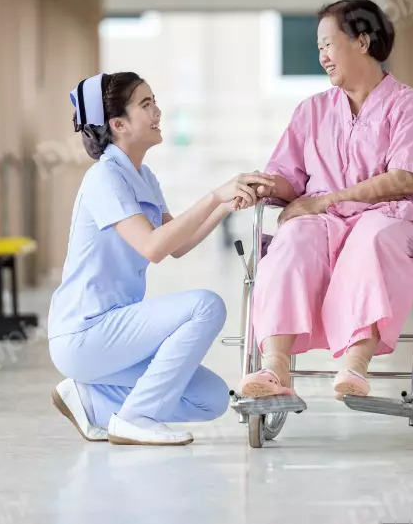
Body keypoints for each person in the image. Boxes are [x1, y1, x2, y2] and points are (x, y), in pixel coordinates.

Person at [48, 71, 274, 446]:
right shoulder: (104, 176)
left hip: (114, 331)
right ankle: (136, 418)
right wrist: (214, 195)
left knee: (210, 399)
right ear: (118, 124)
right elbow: (152, 246)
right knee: (206, 306)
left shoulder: (143, 175)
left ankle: (89, 400)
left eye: (154, 102)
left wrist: (226, 204)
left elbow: (176, 245)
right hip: (85, 332)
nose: (158, 112)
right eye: (146, 104)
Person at [236, 0, 413, 402]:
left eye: (328, 45)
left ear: (362, 42)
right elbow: (290, 178)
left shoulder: (407, 105)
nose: (322, 56)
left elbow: (405, 177)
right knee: (294, 239)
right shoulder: (311, 111)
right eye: (319, 48)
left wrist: (329, 199)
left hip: (391, 216)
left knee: (371, 238)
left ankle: (354, 365)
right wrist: (267, 186)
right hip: (325, 219)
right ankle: (274, 367)